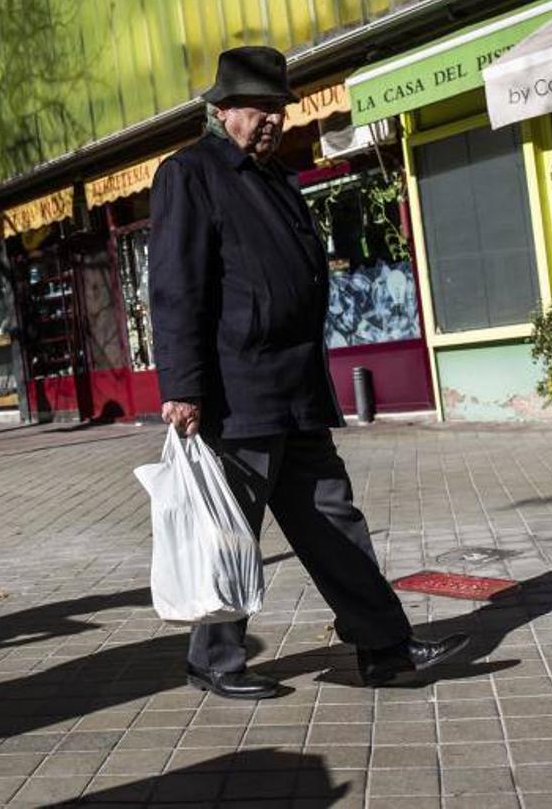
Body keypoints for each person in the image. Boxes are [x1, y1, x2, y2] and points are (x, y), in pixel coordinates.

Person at [148, 46, 470, 700]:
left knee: (333, 516)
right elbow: (176, 288)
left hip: (295, 386)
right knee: (231, 530)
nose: (272, 119)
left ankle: (382, 645)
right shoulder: (190, 173)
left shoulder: (275, 178)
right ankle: (212, 659)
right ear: (221, 109)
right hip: (236, 390)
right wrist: (182, 387)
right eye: (258, 108)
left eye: (278, 107)